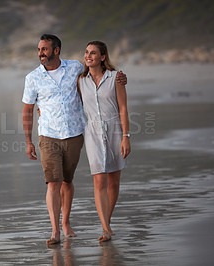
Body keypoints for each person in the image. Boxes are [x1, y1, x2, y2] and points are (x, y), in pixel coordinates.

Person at [22, 34, 127, 245]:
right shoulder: (32, 78)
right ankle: (55, 231)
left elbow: (98, 76)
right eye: (39, 49)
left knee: (67, 181)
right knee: (53, 182)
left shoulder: (75, 69)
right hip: (48, 134)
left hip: (75, 134)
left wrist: (120, 77)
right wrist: (28, 140)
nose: (40, 53)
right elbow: (27, 109)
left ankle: (67, 223)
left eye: (44, 49)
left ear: (56, 50)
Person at [78, 41, 131, 242]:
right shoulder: (80, 80)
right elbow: (66, 99)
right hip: (92, 131)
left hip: (115, 130)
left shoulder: (115, 78)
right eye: (86, 52)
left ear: (102, 57)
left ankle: (106, 221)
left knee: (114, 181)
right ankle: (106, 228)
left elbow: (123, 108)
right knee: (99, 179)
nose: (88, 56)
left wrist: (126, 137)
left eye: (93, 53)